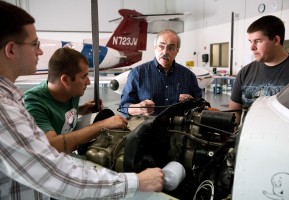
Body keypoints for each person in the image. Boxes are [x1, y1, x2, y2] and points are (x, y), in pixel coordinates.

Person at [0, 1, 163, 199]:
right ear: (11, 50)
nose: (40, 51)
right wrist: (135, 181)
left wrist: (84, 110)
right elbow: (53, 172)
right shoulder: (6, 108)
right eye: (35, 44)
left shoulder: (15, 98)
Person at [24, 47, 128, 154]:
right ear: (65, 80)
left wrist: (81, 109)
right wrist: (102, 125)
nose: (88, 82)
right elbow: (52, 146)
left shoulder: (71, 91)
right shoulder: (33, 102)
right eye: (84, 77)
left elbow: (57, 111)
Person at [229, 15, 289, 125]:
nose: (252, 47)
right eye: (250, 41)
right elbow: (234, 113)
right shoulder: (245, 72)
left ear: (276, 40)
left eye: (258, 41)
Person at [119, 29, 202, 116]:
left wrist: (192, 101)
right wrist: (139, 108)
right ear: (155, 47)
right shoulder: (137, 73)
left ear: (177, 51)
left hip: (179, 128)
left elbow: (200, 103)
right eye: (161, 46)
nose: (165, 52)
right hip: (148, 128)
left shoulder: (188, 75)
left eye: (171, 48)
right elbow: (123, 106)